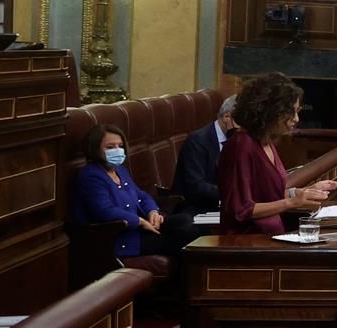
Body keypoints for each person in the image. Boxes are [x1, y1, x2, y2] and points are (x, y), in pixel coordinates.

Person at [218, 73, 337, 236]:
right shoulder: (241, 146)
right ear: (269, 111)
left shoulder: (266, 141)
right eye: (290, 112)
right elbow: (240, 210)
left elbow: (268, 195)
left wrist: (304, 192)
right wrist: (291, 202)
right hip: (248, 243)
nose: (296, 119)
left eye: (297, 111)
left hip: (270, 236)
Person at [73, 124, 172, 268]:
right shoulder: (90, 176)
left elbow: (141, 196)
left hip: (139, 231)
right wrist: (141, 221)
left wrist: (153, 212)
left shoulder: (120, 170)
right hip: (122, 240)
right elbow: (104, 211)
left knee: (185, 223)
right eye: (110, 147)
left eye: (120, 146)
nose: (117, 150)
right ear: (95, 149)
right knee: (183, 237)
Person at [172, 95, 237, 215]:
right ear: (226, 116)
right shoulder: (198, 141)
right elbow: (196, 186)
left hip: (225, 206)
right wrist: (234, 194)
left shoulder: (237, 140)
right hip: (196, 208)